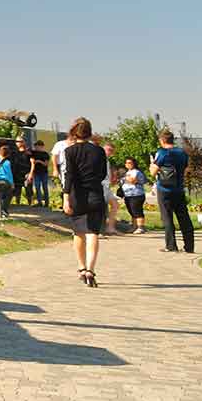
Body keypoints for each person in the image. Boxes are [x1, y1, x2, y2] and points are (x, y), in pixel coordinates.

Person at [60, 117, 108, 286]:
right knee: (93, 233)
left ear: (74, 132)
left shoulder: (70, 151)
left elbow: (69, 176)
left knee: (78, 232)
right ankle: (90, 270)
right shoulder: (99, 151)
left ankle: (81, 267)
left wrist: (66, 198)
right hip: (95, 194)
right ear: (90, 132)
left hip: (77, 196)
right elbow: (103, 174)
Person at [152, 129, 195, 254]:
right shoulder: (182, 152)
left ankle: (171, 246)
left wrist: (151, 164)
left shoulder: (162, 152)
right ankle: (189, 246)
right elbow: (187, 169)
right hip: (179, 188)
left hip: (164, 189)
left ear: (162, 140)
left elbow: (153, 172)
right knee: (184, 217)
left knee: (167, 217)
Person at [119, 156, 147, 235]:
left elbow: (132, 180)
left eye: (130, 163)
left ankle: (140, 227)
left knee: (137, 211)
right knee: (131, 211)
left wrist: (123, 177)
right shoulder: (127, 172)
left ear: (134, 164)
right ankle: (134, 226)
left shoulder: (136, 171)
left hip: (136, 194)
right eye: (126, 163)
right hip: (128, 194)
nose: (128, 164)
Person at [99, 139, 120, 235]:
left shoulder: (107, 160)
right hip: (100, 186)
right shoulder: (97, 158)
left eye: (111, 150)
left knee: (115, 205)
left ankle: (110, 227)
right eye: (108, 149)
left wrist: (112, 178)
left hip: (106, 186)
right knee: (99, 208)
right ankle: (97, 230)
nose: (109, 152)